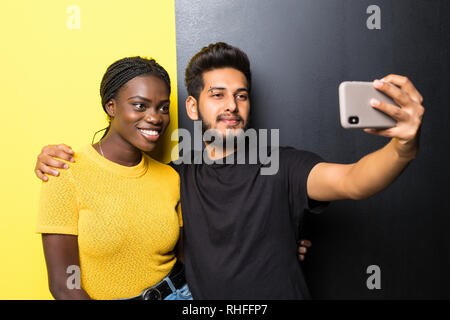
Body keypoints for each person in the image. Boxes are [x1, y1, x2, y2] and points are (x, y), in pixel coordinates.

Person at [35, 42, 424, 299]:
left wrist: (402, 146)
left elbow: (354, 180)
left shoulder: (281, 163)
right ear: (192, 108)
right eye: (217, 95)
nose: (231, 106)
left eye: (240, 95)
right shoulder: (174, 176)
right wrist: (54, 159)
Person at [36, 56, 192, 300]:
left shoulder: (170, 178)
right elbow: (64, 285)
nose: (155, 117)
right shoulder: (65, 172)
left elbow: (185, 259)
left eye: (162, 108)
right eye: (140, 105)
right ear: (111, 106)